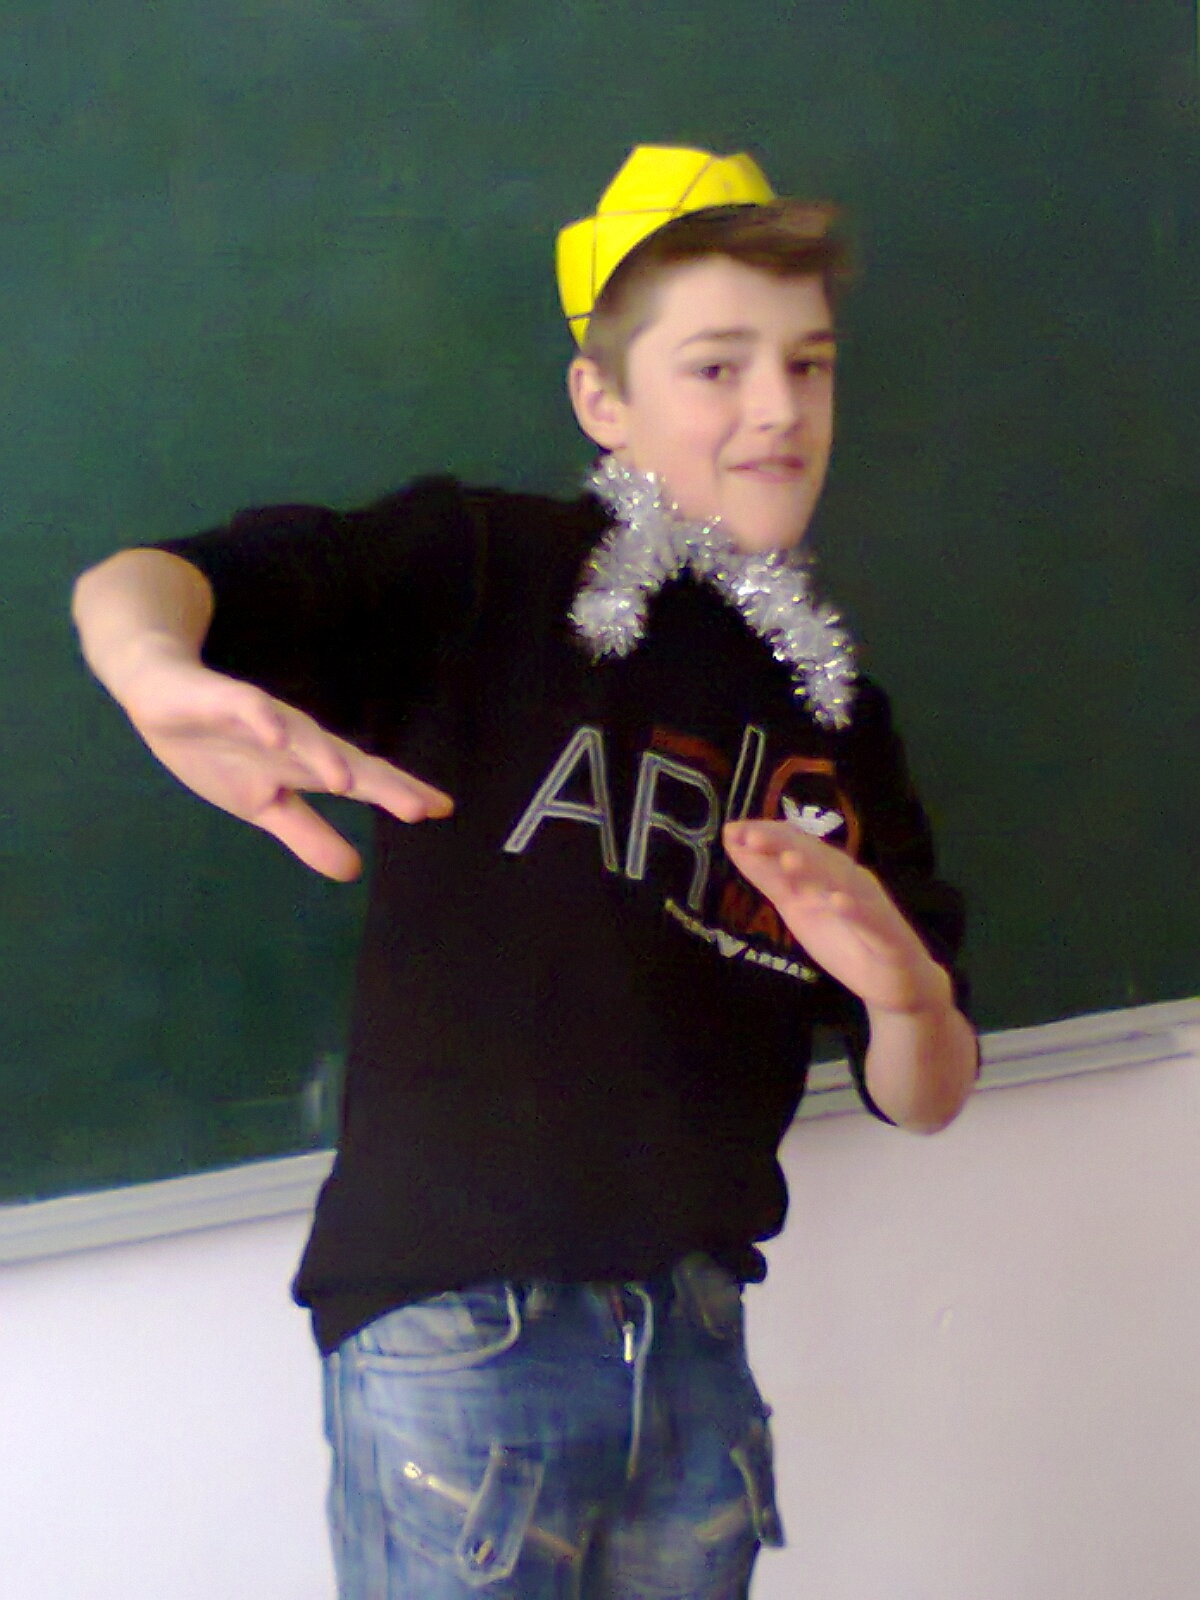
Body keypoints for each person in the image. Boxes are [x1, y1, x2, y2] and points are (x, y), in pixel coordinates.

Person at [72, 145, 978, 1599]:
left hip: (698, 1345)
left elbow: (923, 1093)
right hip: (461, 1333)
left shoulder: (837, 712)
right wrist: (147, 667)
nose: (779, 408)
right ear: (603, 402)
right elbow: (158, 579)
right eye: (718, 366)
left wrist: (905, 995)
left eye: (808, 365)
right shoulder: (485, 567)